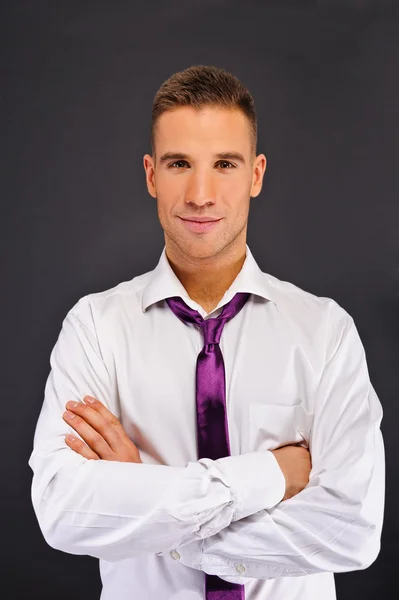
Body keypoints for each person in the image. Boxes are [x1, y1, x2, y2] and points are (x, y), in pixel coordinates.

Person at [28, 64, 385, 600]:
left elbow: (352, 530)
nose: (200, 194)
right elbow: (62, 510)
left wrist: (150, 506)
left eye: (224, 163)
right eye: (179, 164)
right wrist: (270, 475)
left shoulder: (325, 332)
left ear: (257, 175)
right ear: (151, 175)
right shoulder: (95, 328)